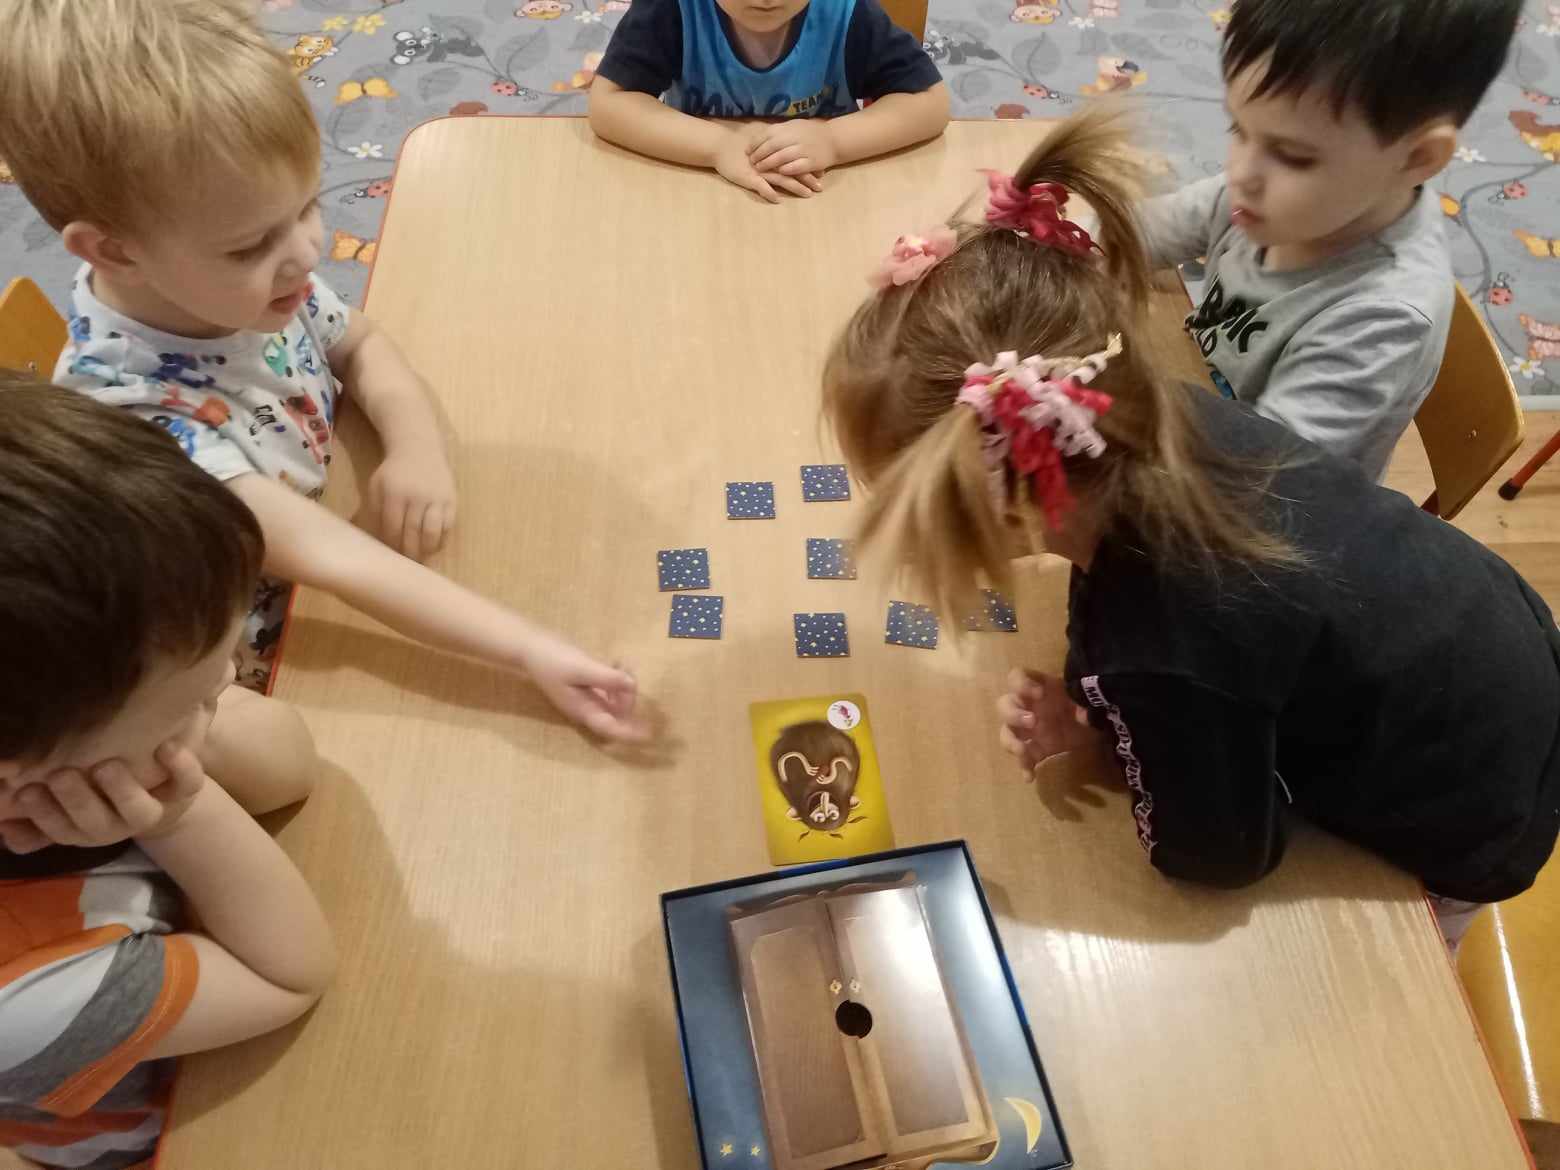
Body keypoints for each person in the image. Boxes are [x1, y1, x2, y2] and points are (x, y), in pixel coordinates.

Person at [822, 108, 1560, 948]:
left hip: (1477, 812)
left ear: (1017, 512)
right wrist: (1102, 706)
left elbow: (1214, 855)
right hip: (1509, 644)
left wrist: (1111, 741)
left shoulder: (1167, 641)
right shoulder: (1165, 413)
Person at [0, 0, 644, 739]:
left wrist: (416, 446)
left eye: (308, 205)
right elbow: (334, 560)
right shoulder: (139, 423)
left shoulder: (230, 280)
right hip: (263, 656)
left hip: (337, 509)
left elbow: (360, 342)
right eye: (252, 244)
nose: (307, 252)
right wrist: (529, 649)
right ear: (114, 252)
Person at [0, 379, 334, 1169]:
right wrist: (181, 816)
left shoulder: (72, 713)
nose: (231, 680)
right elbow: (290, 976)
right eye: (190, 701)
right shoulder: (20, 997)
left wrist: (183, 722)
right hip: (177, 1131)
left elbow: (291, 763)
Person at [1137, 0, 1522, 481]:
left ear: (1417, 158)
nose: (1239, 172)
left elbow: (1258, 476)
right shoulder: (1271, 198)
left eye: (1293, 156)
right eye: (1239, 128)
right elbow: (1142, 231)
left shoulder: (1382, 319)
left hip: (1269, 494)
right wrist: (1070, 234)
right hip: (1198, 400)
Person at [589, 0, 949, 203]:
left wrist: (834, 141)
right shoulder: (672, 8)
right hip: (701, 195)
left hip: (823, 199)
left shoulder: (847, 12)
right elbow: (610, 104)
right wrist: (716, 147)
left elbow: (929, 101)